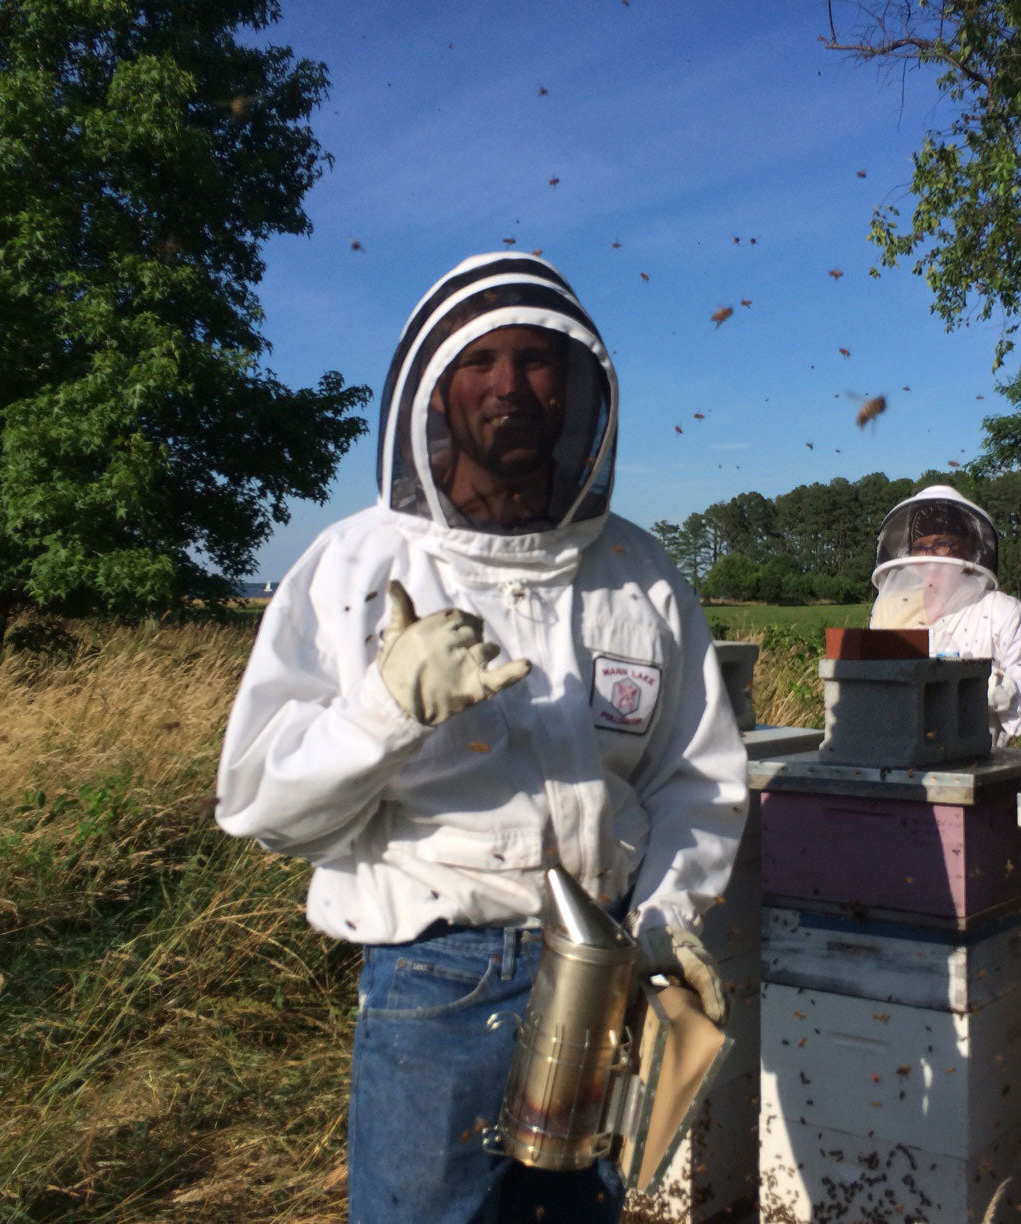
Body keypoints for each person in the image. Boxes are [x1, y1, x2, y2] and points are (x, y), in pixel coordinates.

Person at [214, 252, 749, 1224]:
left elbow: (695, 781)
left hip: (608, 968)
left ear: (579, 386)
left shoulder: (640, 573)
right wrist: (387, 705)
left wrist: (668, 916)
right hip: (437, 977)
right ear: (435, 390)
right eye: (482, 361)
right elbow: (263, 806)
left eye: (539, 360)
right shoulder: (357, 565)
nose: (510, 387)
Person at [869, 485, 1021, 746]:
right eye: (921, 547)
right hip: (897, 756)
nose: (930, 556)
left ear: (968, 549)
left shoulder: (1003, 612)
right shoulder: (891, 610)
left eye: (942, 544)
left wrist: (993, 689)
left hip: (976, 763)